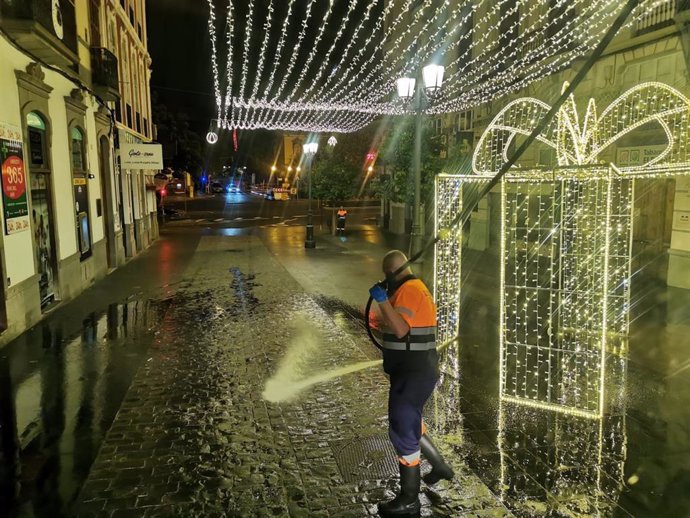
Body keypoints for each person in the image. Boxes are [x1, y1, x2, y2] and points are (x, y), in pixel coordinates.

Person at [369, 250, 454, 516]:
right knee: (412, 421)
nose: (385, 280)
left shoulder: (409, 290)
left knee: (402, 428)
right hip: (417, 370)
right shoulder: (413, 289)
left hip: (413, 372)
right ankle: (439, 466)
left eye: (386, 275)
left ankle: (409, 500)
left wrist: (382, 301)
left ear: (392, 272)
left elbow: (401, 329)